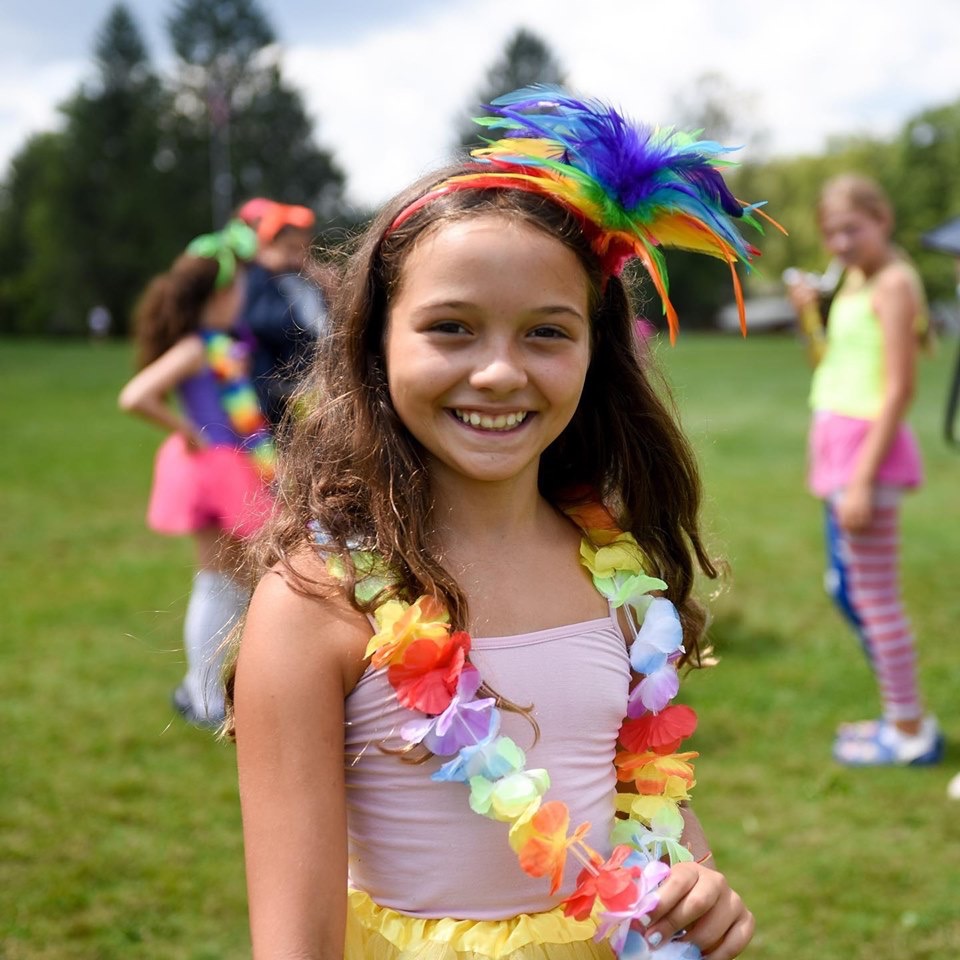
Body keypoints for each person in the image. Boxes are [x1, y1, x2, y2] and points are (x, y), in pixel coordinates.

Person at [228, 88, 762, 960]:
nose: (499, 373)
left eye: (546, 333)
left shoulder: (610, 569)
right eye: (451, 329)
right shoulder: (317, 605)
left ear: (596, 351)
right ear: (376, 346)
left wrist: (697, 895)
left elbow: (650, 820)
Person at [787, 173, 942, 766]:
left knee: (873, 598)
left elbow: (899, 390)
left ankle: (908, 731)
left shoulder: (896, 283)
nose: (842, 243)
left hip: (866, 461)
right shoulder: (853, 280)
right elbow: (827, 364)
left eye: (853, 228)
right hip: (840, 454)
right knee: (848, 589)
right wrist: (809, 316)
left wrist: (859, 479)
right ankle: (900, 714)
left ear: (884, 220)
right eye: (832, 233)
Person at [119, 220, 275, 729]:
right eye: (239, 289)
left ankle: (210, 689)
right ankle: (204, 695)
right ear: (223, 293)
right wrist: (185, 428)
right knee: (225, 582)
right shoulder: (195, 347)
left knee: (228, 581)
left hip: (231, 462)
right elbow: (135, 396)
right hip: (217, 470)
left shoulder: (222, 344)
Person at [237, 198, 333, 427]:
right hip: (277, 392)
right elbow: (263, 321)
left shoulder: (306, 278)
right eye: (290, 248)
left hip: (310, 385)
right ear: (270, 245)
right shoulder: (260, 277)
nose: (298, 257)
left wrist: (328, 286)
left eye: (304, 249)